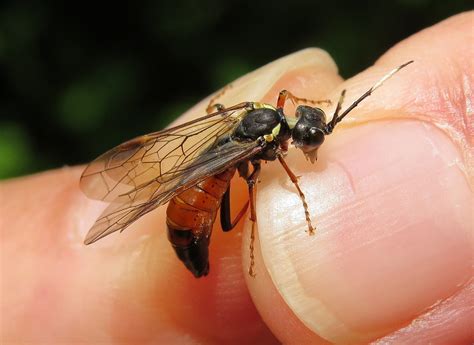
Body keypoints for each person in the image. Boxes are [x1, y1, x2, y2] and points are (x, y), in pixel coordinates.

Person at [1, 12, 471, 344]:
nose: (309, 146)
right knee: (234, 211)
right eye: (311, 137)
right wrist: (302, 202)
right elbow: (270, 160)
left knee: (241, 183)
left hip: (206, 156)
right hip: (190, 201)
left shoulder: (265, 109)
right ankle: (228, 240)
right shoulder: (267, 139)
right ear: (293, 132)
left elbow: (265, 109)